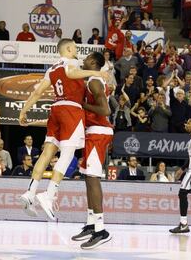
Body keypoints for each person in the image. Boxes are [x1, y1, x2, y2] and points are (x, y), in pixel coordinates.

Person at [18, 38, 108, 220]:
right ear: (68, 48)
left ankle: (30, 191)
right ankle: (49, 195)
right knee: (68, 154)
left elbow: (37, 92)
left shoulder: (51, 69)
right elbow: (71, 72)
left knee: (47, 153)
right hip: (71, 109)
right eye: (75, 48)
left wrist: (24, 110)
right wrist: (96, 72)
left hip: (56, 108)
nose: (77, 52)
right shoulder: (71, 62)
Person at [71, 52, 113, 249]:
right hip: (92, 132)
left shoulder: (94, 82)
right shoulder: (93, 81)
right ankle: (90, 224)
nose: (84, 59)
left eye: (87, 58)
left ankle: (101, 230)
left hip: (98, 132)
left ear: (94, 63)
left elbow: (106, 111)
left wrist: (83, 105)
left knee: (93, 178)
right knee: (88, 177)